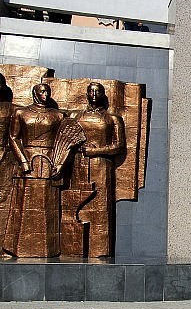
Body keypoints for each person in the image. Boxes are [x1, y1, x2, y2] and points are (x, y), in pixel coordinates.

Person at [4, 83, 65, 257]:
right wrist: (23, 160)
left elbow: (63, 142)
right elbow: (13, 138)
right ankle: (18, 248)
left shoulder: (58, 115)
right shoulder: (21, 113)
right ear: (34, 93)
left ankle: (48, 249)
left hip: (49, 161)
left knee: (48, 205)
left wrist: (59, 162)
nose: (45, 94)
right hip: (28, 161)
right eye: (42, 91)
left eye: (47, 91)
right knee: (24, 204)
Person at [67, 82, 125, 257]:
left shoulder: (113, 118)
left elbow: (119, 146)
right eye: (91, 91)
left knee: (101, 209)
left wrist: (96, 150)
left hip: (102, 166)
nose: (94, 94)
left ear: (103, 95)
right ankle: (74, 248)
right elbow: (66, 141)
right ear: (86, 94)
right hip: (78, 165)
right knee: (76, 206)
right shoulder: (75, 116)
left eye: (97, 91)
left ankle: (100, 250)